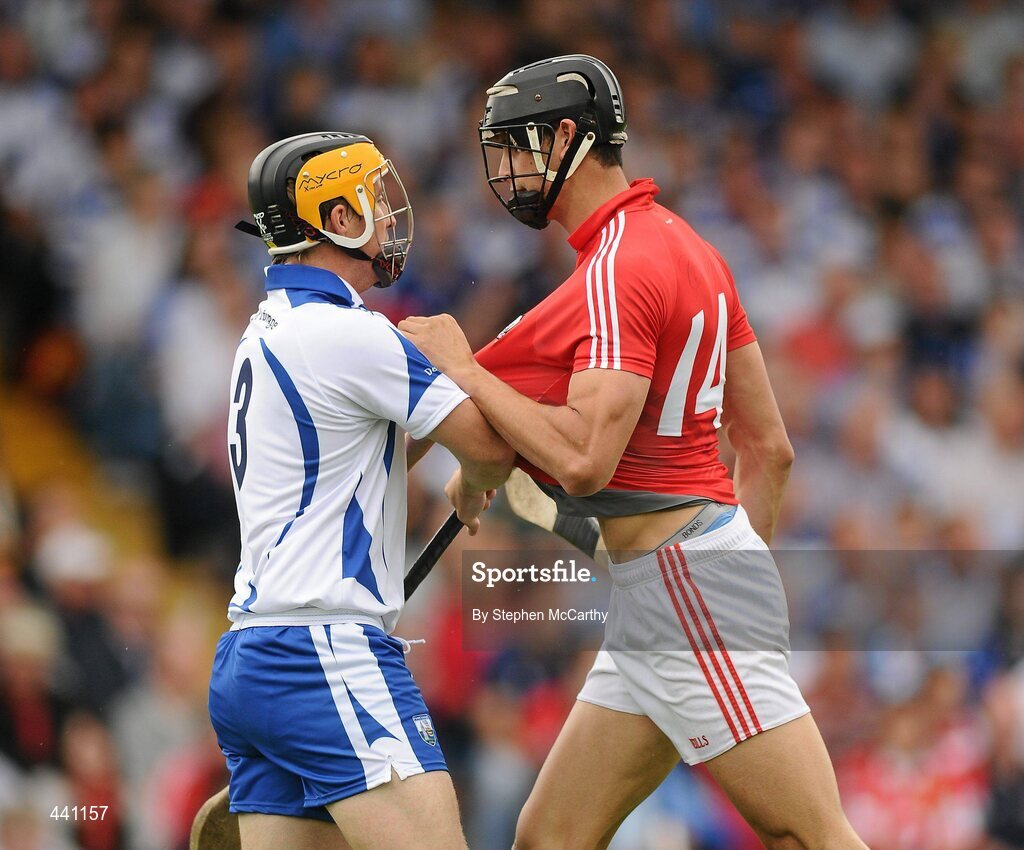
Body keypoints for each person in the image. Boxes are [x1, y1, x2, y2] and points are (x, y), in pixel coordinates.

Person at [400, 56, 868, 850]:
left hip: (685, 590)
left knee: (811, 836)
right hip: (672, 590)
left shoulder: (618, 267)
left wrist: (466, 367)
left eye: (519, 146)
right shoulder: (690, 249)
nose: (506, 169)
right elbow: (770, 448)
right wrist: (731, 566)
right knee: (548, 837)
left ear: (571, 140)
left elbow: (586, 460)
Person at [208, 131, 513, 850]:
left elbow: (357, 464)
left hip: (252, 658)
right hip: (325, 652)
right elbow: (495, 449)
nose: (387, 211)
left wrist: (462, 473)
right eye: (372, 199)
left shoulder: (267, 331)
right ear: (336, 220)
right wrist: (461, 366)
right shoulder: (350, 334)